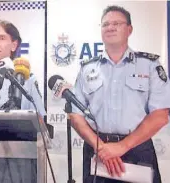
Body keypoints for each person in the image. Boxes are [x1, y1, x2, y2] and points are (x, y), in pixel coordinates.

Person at [70, 5, 170, 183]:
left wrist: (121, 147)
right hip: (97, 149)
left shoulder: (149, 65)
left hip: (137, 149)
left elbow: (160, 115)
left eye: (116, 23)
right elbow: (75, 115)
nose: (110, 27)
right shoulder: (87, 69)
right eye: (105, 24)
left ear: (129, 29)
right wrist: (101, 147)